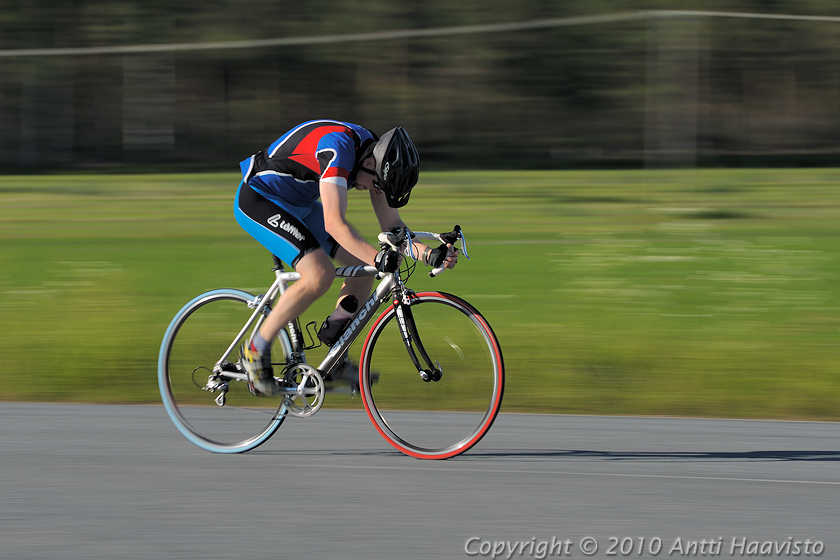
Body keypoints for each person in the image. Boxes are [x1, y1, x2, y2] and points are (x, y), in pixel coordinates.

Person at [234, 120, 458, 396]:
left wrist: (430, 255)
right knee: (319, 274)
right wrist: (378, 258)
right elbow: (334, 224)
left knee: (363, 270)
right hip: (261, 199)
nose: (374, 191)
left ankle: (336, 357)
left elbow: (393, 228)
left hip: (302, 205)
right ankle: (255, 349)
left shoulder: (375, 159)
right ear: (369, 165)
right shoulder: (338, 148)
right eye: (377, 185)